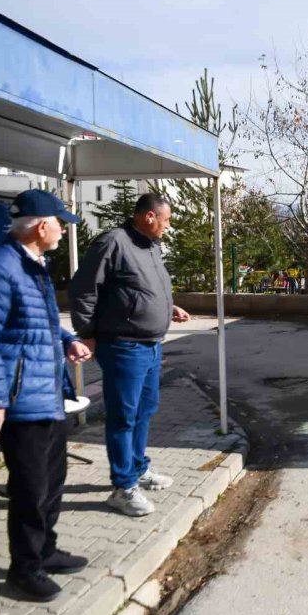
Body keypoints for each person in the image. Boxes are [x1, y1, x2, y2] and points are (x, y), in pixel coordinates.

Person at [0, 189, 93, 602]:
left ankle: (46, 550)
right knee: (29, 489)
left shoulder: (34, 265)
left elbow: (36, 322)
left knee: (53, 480)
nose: (63, 230)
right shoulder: (0, 267)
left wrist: (65, 340)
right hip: (21, 399)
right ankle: (23, 570)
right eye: (60, 223)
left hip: (48, 393)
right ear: (42, 227)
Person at [68, 193, 191, 518]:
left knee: (145, 410)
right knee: (123, 416)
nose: (168, 226)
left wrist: (169, 307)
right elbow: (83, 290)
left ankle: (138, 469)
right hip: (123, 346)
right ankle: (123, 488)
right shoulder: (114, 243)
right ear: (149, 217)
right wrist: (88, 334)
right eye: (166, 220)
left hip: (150, 345)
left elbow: (142, 289)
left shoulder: (151, 246)